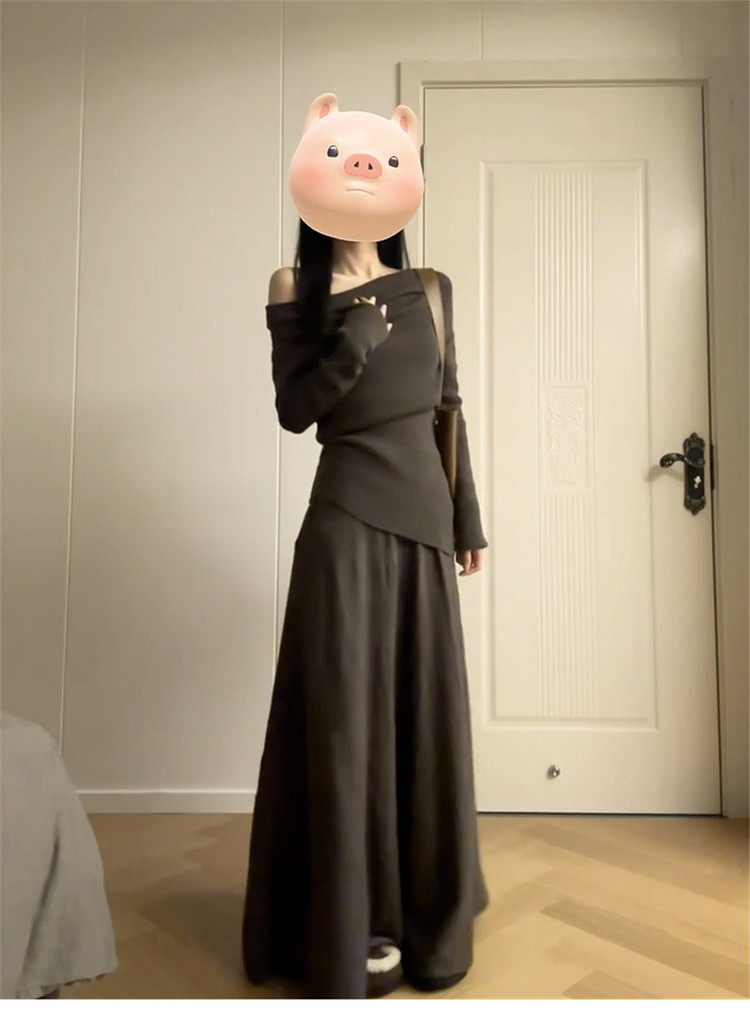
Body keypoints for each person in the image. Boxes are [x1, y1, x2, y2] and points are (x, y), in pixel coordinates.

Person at [241, 92, 490, 1000]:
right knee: (345, 724)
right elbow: (294, 411)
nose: (364, 171)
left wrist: (467, 519)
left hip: (423, 525)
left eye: (384, 159)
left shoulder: (433, 289)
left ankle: (425, 922)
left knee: (422, 721)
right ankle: (352, 925)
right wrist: (353, 341)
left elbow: (447, 410)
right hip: (343, 524)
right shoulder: (292, 286)